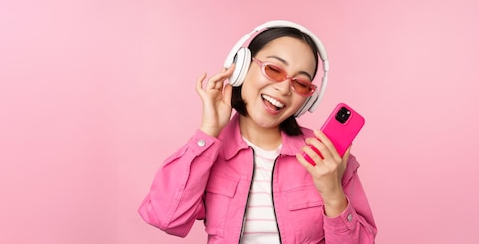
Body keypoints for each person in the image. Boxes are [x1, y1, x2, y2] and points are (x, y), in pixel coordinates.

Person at [138, 20, 377, 243]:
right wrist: (208, 132)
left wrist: (333, 194)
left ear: (307, 100)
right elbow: (165, 218)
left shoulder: (328, 158)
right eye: (273, 69)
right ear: (240, 68)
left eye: (301, 83)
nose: (284, 89)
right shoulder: (210, 153)